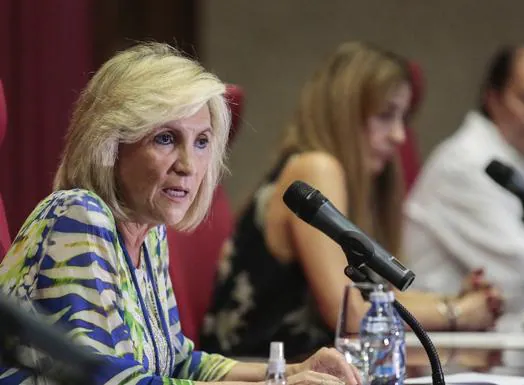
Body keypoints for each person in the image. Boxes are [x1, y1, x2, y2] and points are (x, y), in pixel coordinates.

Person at [0, 43, 360, 385]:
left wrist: (290, 370)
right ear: (110, 144)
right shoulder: (77, 216)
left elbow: (181, 362)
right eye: (166, 138)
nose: (189, 165)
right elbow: (113, 381)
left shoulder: (149, 233)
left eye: (201, 142)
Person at [202, 41, 502, 359]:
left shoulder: (339, 174)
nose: (399, 136)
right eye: (386, 116)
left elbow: (375, 297)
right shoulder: (316, 168)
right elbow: (353, 317)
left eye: (403, 119)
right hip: (260, 371)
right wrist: (458, 314)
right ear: (343, 115)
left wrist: (456, 302)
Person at [401, 44, 524, 331]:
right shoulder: (466, 162)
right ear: (492, 98)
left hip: (486, 337)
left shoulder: (522, 161)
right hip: (436, 346)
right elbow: (517, 279)